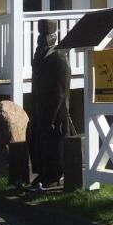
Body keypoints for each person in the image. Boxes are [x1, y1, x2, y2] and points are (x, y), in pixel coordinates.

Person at [28, 20, 71, 190]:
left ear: (54, 37)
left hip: (54, 112)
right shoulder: (39, 55)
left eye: (47, 36)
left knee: (53, 143)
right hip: (39, 107)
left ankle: (54, 175)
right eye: (41, 36)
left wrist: (52, 115)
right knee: (37, 141)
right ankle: (43, 172)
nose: (42, 40)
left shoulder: (59, 57)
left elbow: (61, 89)